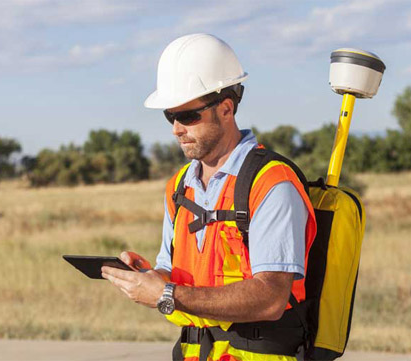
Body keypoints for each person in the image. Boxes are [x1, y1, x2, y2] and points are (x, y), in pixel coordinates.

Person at [102, 33, 316, 361]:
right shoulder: (178, 188)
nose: (176, 128)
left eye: (188, 116)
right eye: (170, 116)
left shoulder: (272, 184)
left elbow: (272, 298)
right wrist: (149, 279)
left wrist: (168, 293)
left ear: (226, 108)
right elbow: (172, 272)